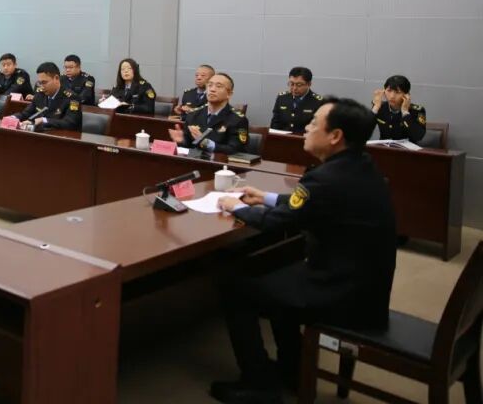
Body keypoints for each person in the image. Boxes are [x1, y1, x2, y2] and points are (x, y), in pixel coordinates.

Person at [211, 98, 396, 403]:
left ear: (335, 136)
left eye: (313, 123)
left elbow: (274, 222)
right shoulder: (360, 165)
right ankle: (293, 370)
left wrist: (236, 206)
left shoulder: (324, 177)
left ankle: (259, 385)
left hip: (340, 293)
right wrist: (266, 197)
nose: (306, 128)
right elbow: (311, 203)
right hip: (365, 287)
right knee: (277, 276)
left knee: (235, 288)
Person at [168, 73, 249, 154]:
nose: (212, 89)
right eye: (210, 85)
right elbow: (189, 145)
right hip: (194, 159)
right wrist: (181, 141)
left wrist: (206, 143)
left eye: (218, 86)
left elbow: (235, 150)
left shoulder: (237, 119)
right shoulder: (193, 114)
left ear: (229, 94)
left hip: (219, 161)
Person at [17, 62, 82, 131]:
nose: (42, 86)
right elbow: (26, 113)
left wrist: (45, 120)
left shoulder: (72, 98)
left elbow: (70, 123)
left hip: (61, 135)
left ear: (56, 78)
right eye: (40, 83)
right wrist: (13, 118)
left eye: (44, 82)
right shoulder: (40, 94)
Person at [372, 75, 426, 143]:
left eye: (397, 92)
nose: (392, 96)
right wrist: (375, 108)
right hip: (383, 148)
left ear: (406, 95)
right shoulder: (380, 107)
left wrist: (405, 112)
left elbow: (418, 136)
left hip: (407, 149)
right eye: (389, 91)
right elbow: (363, 130)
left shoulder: (417, 111)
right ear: (384, 91)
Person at [270, 67, 322, 134]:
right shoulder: (282, 98)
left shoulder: (318, 102)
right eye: (291, 84)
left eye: (299, 85)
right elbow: (275, 124)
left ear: (309, 84)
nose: (294, 88)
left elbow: (317, 129)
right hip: (282, 138)